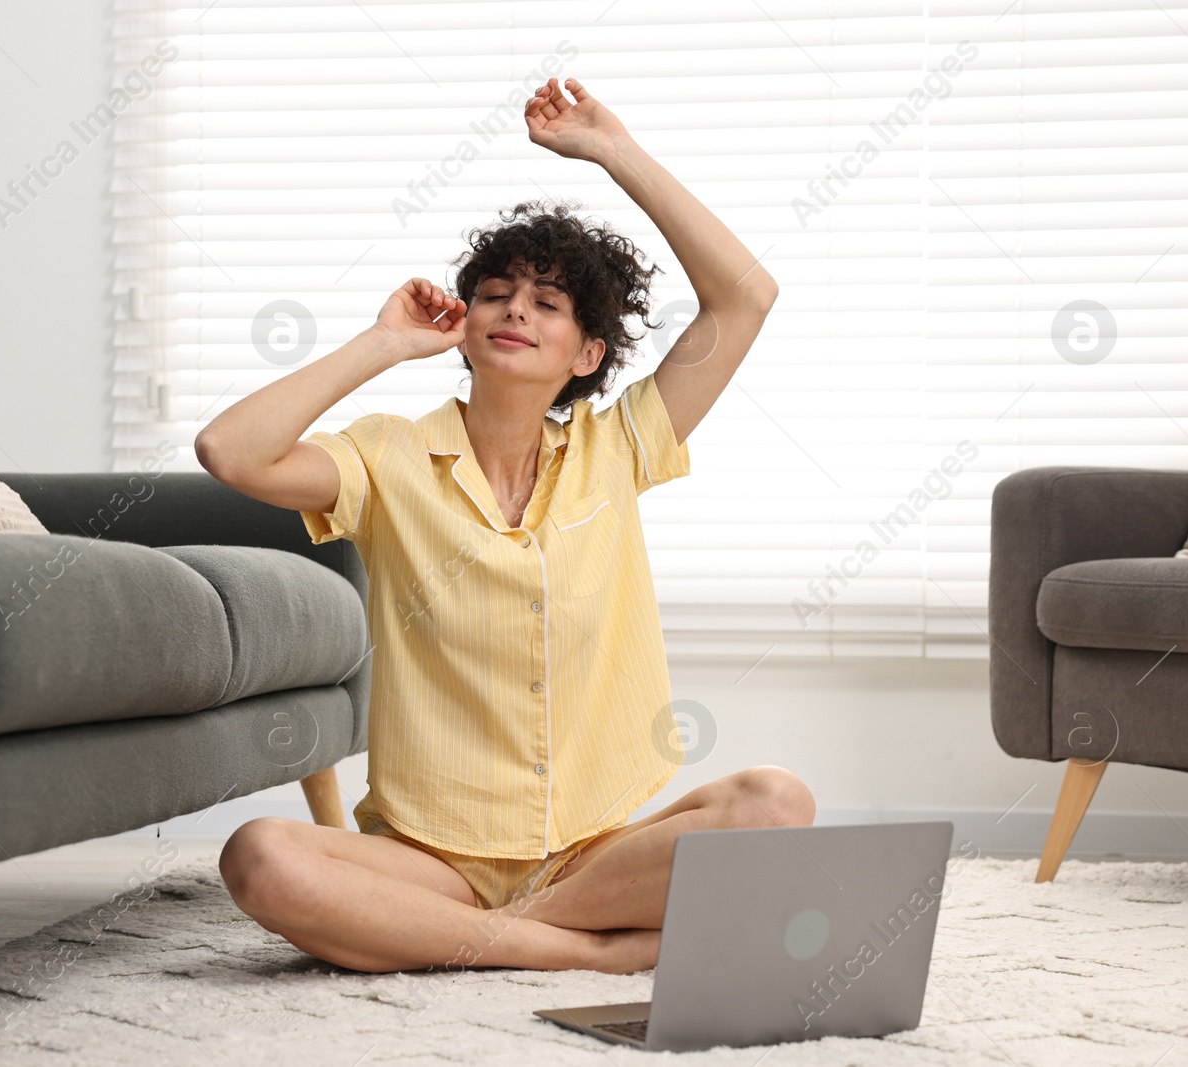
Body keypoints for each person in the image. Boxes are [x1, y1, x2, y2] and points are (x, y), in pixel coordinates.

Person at [195, 77, 810, 976]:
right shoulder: (389, 458)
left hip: (589, 851)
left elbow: (745, 297)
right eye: (494, 293)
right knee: (260, 855)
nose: (516, 308)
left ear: (587, 354)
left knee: (776, 801)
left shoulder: (621, 447)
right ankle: (591, 953)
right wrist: (384, 342)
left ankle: (502, 935)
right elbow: (230, 449)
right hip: (430, 858)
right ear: (466, 323)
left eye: (548, 303)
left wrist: (613, 150)